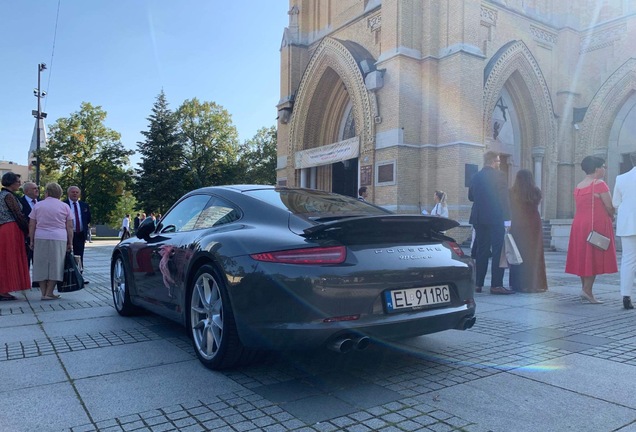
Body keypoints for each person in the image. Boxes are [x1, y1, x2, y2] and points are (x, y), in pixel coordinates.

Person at [565, 156, 617, 304]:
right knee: (593, 256)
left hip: (579, 224)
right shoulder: (600, 184)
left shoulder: (579, 185)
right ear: (597, 169)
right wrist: (612, 215)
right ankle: (587, 290)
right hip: (596, 225)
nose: (605, 170)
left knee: (583, 255)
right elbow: (609, 206)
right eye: (603, 167)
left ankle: (585, 288)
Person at [469, 151, 514, 295]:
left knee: (481, 251)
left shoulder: (475, 176)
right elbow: (503, 198)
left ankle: (478, 284)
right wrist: (507, 219)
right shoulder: (499, 176)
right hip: (495, 218)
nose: (499, 164)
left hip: (479, 218)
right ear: (493, 161)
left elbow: (471, 197)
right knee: (497, 251)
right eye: (498, 161)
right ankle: (496, 285)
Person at [29, 182, 73, 300]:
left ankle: (43, 292)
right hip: (59, 237)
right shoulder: (65, 206)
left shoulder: (38, 206)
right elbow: (69, 227)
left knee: (40, 264)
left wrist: (31, 240)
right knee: (56, 265)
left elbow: (32, 224)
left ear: (47, 192)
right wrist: (70, 242)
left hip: (40, 236)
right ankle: (50, 292)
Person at [508, 169, 547, 293]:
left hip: (518, 223)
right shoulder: (536, 191)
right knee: (534, 255)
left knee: (517, 253)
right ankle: (534, 284)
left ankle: (517, 284)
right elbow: (537, 203)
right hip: (533, 224)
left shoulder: (511, 192)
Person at [0, 172, 31, 300]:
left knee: (5, 259)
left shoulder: (3, 195)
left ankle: (4, 289)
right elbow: (18, 214)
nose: (20, 183)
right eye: (18, 181)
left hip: (5, 228)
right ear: (11, 182)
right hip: (10, 228)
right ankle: (3, 290)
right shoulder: (8, 196)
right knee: (9, 259)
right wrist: (28, 229)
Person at [612, 151, 636, 310]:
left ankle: (626, 296)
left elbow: (615, 203)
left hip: (628, 224)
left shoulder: (621, 179)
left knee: (628, 261)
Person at [63, 186, 92, 278]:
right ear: (68, 193)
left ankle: (79, 276)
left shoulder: (84, 205)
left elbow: (88, 219)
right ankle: (65, 277)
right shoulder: (64, 204)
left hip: (80, 233)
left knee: (79, 255)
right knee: (65, 255)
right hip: (67, 234)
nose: (75, 194)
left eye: (76, 192)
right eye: (73, 192)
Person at [19, 181, 39, 270]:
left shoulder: (42, 202)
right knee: (25, 264)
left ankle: (37, 284)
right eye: (34, 188)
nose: (37, 190)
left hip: (40, 237)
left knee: (39, 264)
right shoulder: (19, 202)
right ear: (26, 191)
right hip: (25, 237)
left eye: (37, 188)